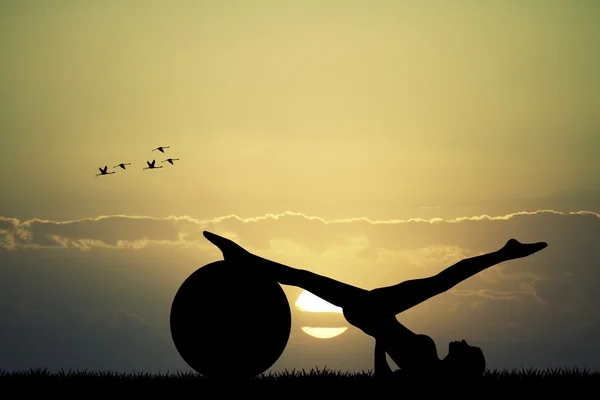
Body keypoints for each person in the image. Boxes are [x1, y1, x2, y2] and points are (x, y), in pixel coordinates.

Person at [202, 231, 548, 380]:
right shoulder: (427, 360)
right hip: (373, 313)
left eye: (466, 347)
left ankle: (505, 252)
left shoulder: (427, 366)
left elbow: (382, 377)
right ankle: (244, 259)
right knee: (438, 283)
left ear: (462, 363)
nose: (462, 341)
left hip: (374, 314)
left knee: (439, 283)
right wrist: (379, 335)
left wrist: (380, 337)